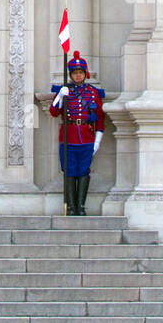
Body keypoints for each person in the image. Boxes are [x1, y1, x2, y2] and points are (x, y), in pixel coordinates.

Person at [50, 51, 105, 216]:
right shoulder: (64, 91)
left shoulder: (93, 93)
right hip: (68, 137)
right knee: (69, 171)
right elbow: (53, 112)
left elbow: (100, 119)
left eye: (81, 72)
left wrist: (98, 140)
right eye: (75, 73)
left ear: (85, 74)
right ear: (71, 75)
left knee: (83, 171)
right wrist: (59, 96)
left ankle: (81, 206)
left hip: (86, 137)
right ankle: (71, 207)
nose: (78, 75)